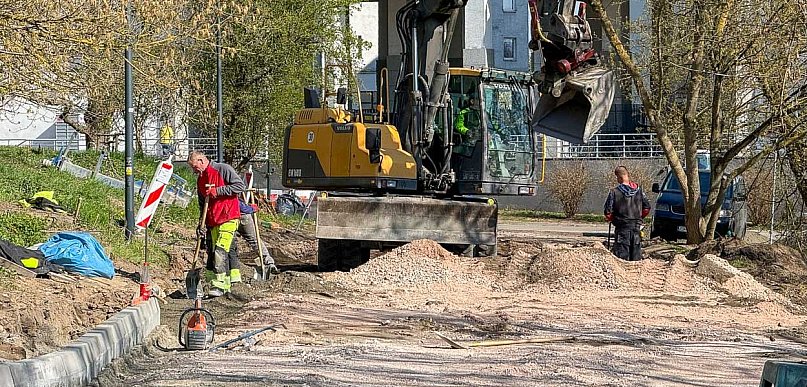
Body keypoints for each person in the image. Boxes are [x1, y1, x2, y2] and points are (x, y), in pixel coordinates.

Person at [188, 151, 245, 297]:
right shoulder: (201, 180)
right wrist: (201, 224)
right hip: (213, 220)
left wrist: (218, 191)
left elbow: (240, 186)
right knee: (215, 252)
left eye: (195, 167)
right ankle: (227, 284)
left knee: (220, 250)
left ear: (201, 160)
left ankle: (219, 286)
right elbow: (202, 204)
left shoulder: (223, 169)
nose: (194, 171)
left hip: (228, 216)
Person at [604, 166, 651, 261]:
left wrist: (614, 220)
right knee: (636, 260)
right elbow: (647, 208)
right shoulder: (639, 191)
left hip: (622, 229)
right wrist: (639, 217)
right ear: (627, 175)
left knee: (621, 260)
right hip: (636, 228)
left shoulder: (614, 192)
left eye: (617, 177)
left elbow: (607, 212)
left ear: (619, 177)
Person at [228, 197, 280, 277]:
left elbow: (237, 203)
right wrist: (250, 208)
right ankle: (269, 262)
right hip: (240, 215)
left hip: (232, 216)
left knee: (231, 243)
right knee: (254, 240)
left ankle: (269, 264)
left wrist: (249, 208)